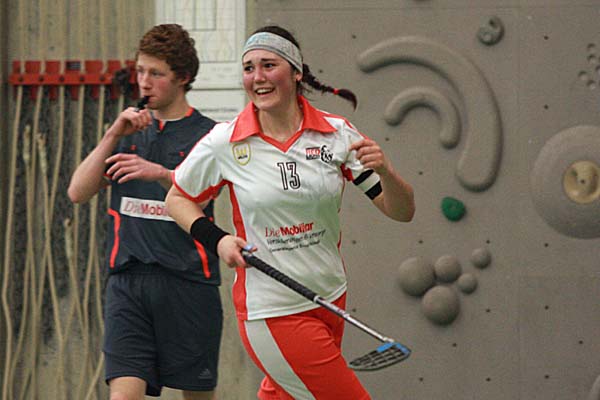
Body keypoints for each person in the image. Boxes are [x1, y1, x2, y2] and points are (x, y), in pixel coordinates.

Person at [165, 25, 415, 400]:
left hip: (330, 298)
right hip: (272, 310)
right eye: (249, 68)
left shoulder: (337, 134)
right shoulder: (224, 141)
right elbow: (177, 198)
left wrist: (387, 172)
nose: (257, 77)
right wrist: (217, 240)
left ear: (296, 72)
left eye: (269, 65)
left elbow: (402, 211)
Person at [68, 24, 222, 400]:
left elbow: (202, 201)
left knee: (197, 396)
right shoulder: (129, 132)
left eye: (156, 73)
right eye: (140, 71)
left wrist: (161, 174)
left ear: (182, 78)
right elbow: (77, 192)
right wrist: (111, 135)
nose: (144, 82)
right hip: (127, 283)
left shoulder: (211, 135)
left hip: (188, 283)